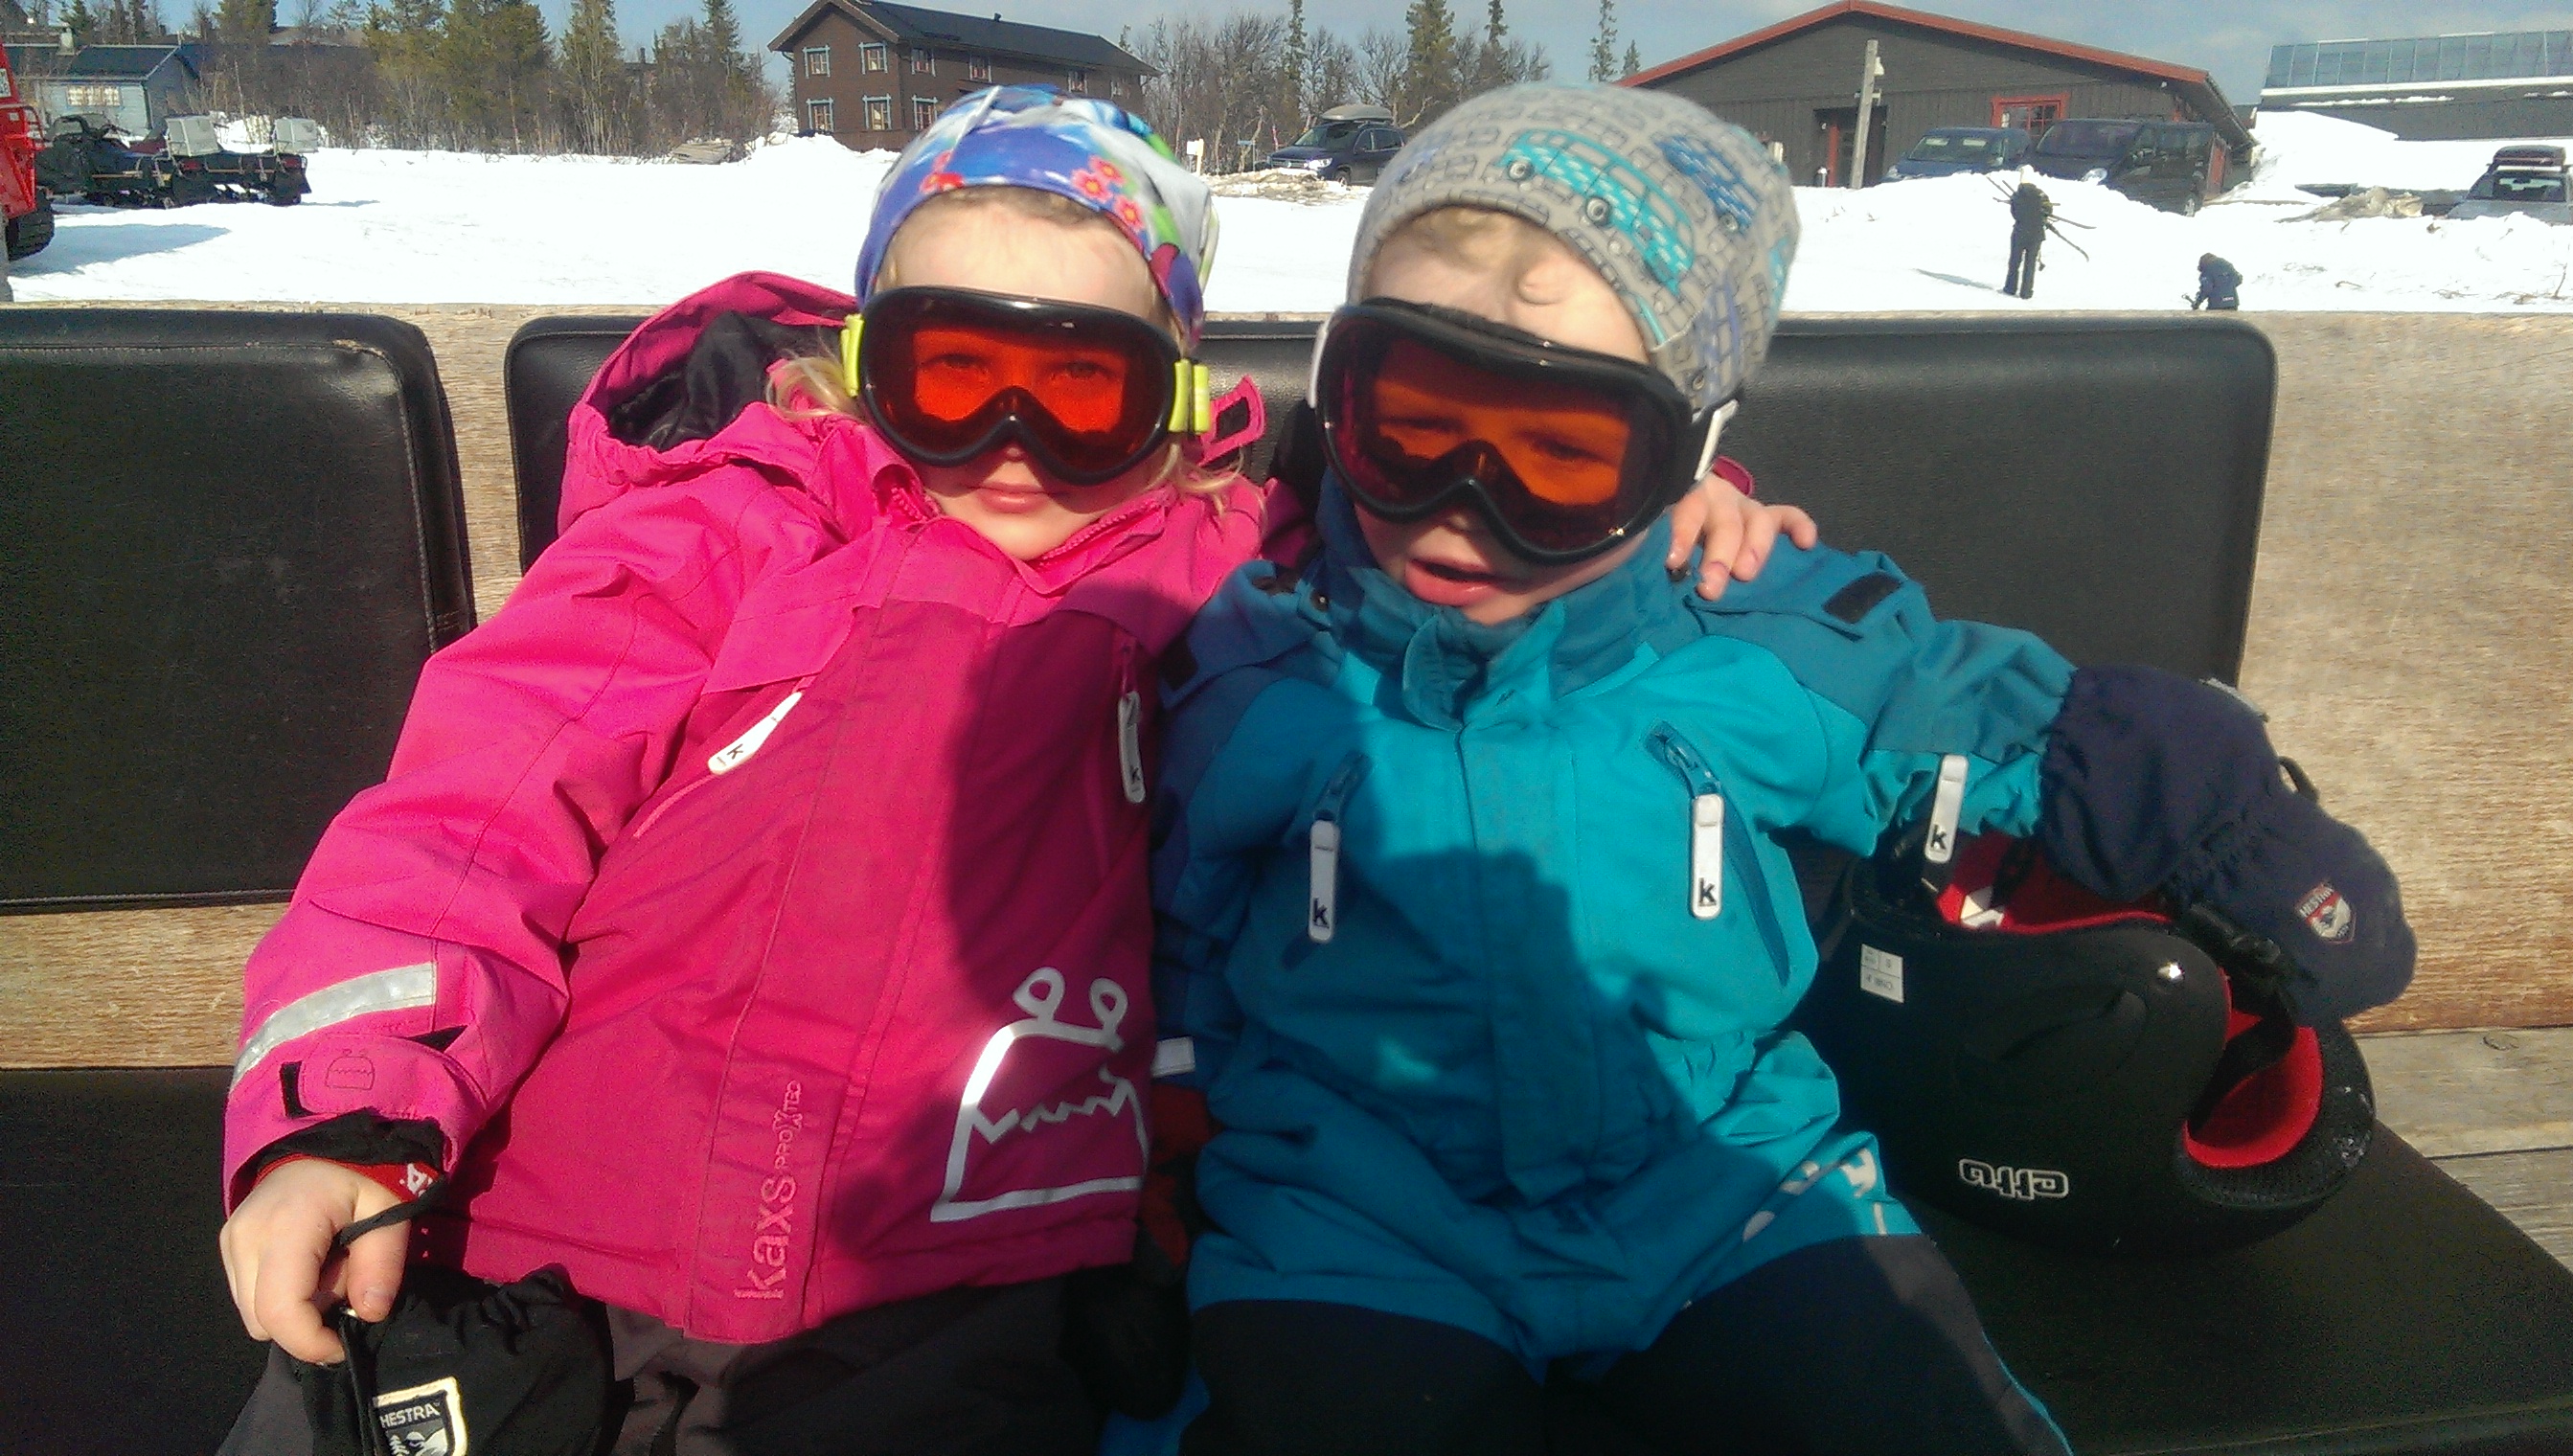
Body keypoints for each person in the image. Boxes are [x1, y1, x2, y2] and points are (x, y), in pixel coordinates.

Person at [211, 86, 1810, 1455]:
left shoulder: (1211, 574)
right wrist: (346, 1115)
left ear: (1171, 391)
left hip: (939, 1282)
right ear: (865, 364)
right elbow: (473, 818)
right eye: (955, 378)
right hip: (532, 1237)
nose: (1016, 446)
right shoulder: (720, 536)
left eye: (1084, 387)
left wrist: (1648, 509)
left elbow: (1461, 510)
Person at [1150, 83, 2414, 1456]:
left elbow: (1985, 711)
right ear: (1342, 389)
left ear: (1683, 454)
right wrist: (1154, 1128)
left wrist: (2232, 835)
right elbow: (1164, 911)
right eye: (1412, 421)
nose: (1464, 504)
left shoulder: (1748, 631)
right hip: (1362, 1216)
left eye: (1564, 454)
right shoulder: (1267, 659)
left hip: (1723, 1180)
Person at [2005, 175, 2052, 298]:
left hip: (2019, 232)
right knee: (2030, 264)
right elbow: (2048, 211)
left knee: (2014, 262)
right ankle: (2026, 292)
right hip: (2036, 234)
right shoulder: (2041, 195)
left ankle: (2010, 288)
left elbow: (2015, 214)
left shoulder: (2016, 196)